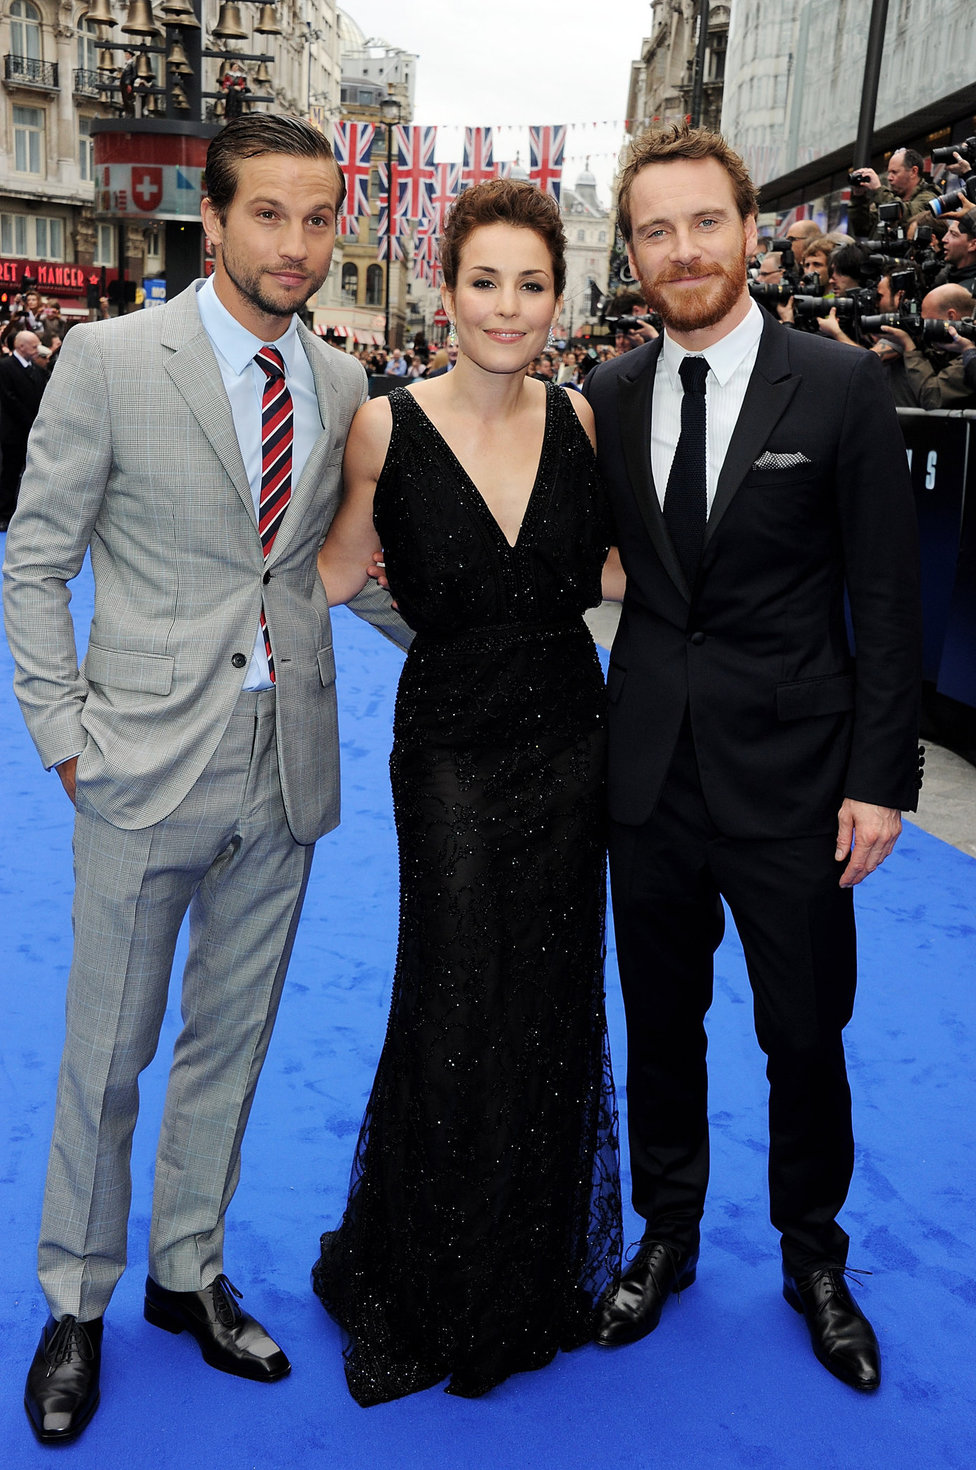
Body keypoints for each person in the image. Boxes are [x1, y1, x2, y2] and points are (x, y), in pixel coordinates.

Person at [3, 114, 406, 1447]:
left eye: (318, 217)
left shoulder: (345, 386)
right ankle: (75, 1299)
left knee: (228, 1044)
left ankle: (186, 1268)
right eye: (271, 216)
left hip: (281, 766)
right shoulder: (112, 357)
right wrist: (64, 734)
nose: (298, 244)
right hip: (137, 764)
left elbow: (345, 570)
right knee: (106, 1054)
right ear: (217, 221)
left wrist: (509, 631)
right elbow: (37, 554)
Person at [582, 124, 922, 1393]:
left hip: (796, 785)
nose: (683, 250)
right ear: (632, 254)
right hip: (649, 776)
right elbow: (603, 562)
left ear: (750, 231)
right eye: (656, 231)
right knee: (661, 1024)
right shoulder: (610, 394)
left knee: (802, 1033)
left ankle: (812, 1257)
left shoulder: (835, 389)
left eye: (704, 223)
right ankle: (666, 1236)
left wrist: (880, 780)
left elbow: (886, 605)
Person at [310, 177, 623, 1406]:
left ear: (558, 297)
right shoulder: (386, 427)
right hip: (444, 744)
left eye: (531, 284)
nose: (507, 308)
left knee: (547, 998)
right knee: (452, 993)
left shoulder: (586, 420)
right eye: (483, 281)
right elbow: (331, 576)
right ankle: (428, 1276)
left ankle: (526, 1268)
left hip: (566, 736)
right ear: (444, 291)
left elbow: (606, 569)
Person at [0, 329, 48, 530]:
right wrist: (29, 420)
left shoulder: (36, 370)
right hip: (12, 431)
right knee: (9, 474)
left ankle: (23, 513)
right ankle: (3, 513)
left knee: (30, 474)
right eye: (34, 346)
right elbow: (9, 398)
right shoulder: (5, 367)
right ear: (21, 346)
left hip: (32, 430)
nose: (38, 350)